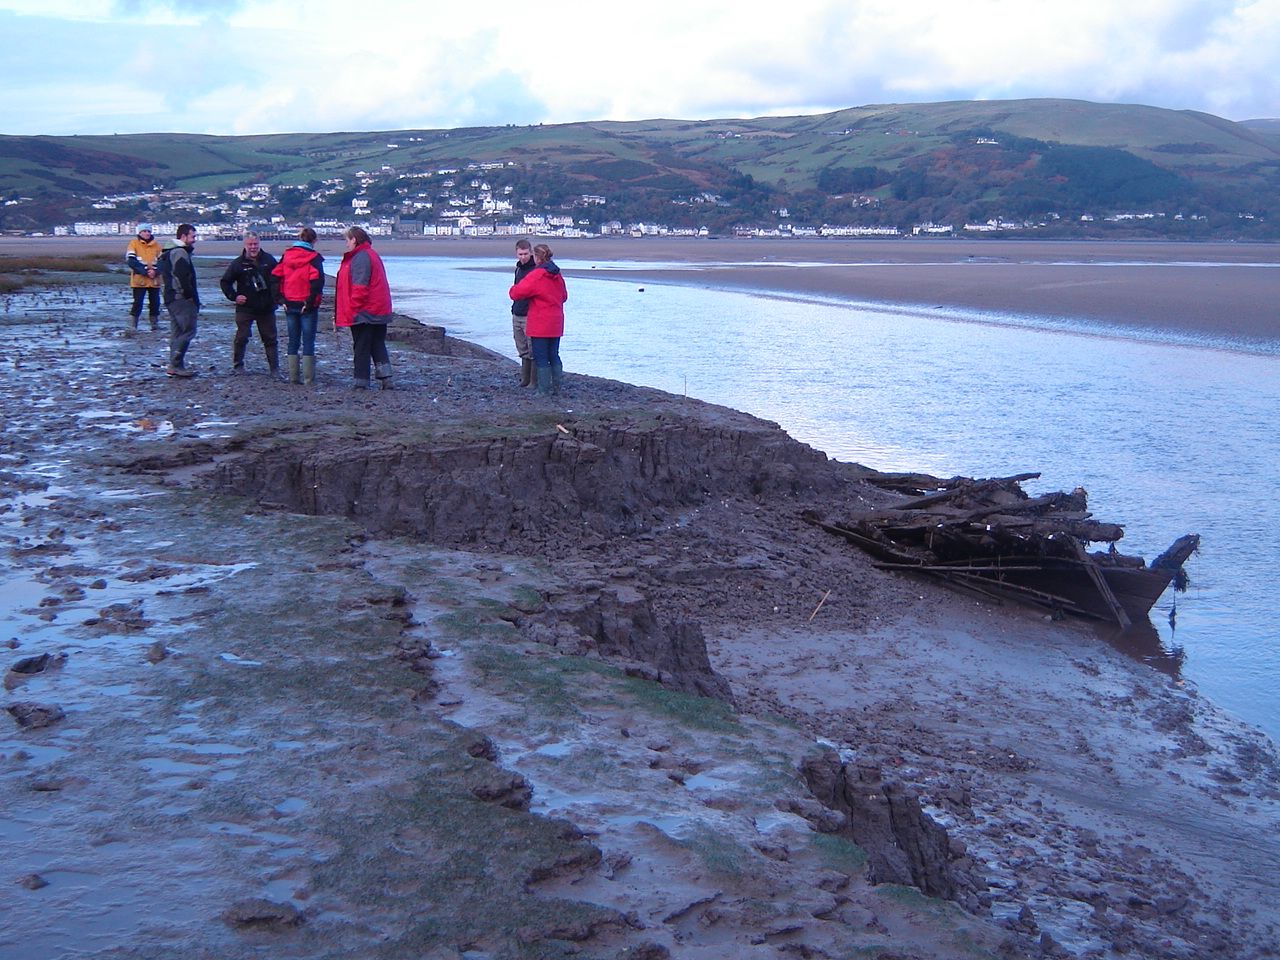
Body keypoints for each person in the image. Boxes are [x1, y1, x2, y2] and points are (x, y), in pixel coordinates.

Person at [335, 226, 394, 390]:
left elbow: (360, 285)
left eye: (347, 240)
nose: (347, 244)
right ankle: (386, 377)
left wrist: (354, 308)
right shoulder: (371, 254)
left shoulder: (361, 257)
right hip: (379, 309)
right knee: (377, 343)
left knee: (361, 346)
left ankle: (361, 381)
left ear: (354, 239)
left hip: (366, 310)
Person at [508, 243, 567, 396]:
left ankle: (542, 389)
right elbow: (564, 296)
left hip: (540, 320)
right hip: (556, 320)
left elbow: (515, 293)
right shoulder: (556, 273)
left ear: (537, 257)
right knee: (553, 354)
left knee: (540, 356)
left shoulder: (537, 275)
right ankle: (557, 387)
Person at [219, 232, 280, 375]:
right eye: (250, 244)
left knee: (270, 338)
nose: (253, 247)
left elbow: (278, 279)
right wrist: (234, 297)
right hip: (245, 307)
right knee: (242, 336)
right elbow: (225, 282)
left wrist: (278, 297)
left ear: (259, 243)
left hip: (266, 307)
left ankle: (274, 369)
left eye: (255, 244)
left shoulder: (269, 260)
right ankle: (238, 365)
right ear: (245, 245)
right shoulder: (238, 263)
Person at [272, 227, 326, 385]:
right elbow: (317, 283)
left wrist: (281, 299)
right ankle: (308, 378)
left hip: (290, 303)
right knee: (308, 341)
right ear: (314, 241)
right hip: (305, 304)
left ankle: (294, 377)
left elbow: (275, 277)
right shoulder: (313, 258)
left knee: (293, 340)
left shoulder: (286, 256)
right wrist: (310, 303)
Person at [157, 224, 200, 377]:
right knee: (188, 331)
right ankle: (176, 364)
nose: (194, 240)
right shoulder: (180, 252)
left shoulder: (169, 252)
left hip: (171, 297)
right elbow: (181, 275)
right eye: (192, 236)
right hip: (180, 298)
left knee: (177, 331)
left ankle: (174, 365)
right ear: (183, 237)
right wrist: (189, 295)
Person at [125, 223, 163, 331]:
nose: (146, 233)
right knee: (137, 303)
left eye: (148, 231)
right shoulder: (133, 244)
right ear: (139, 233)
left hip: (154, 281)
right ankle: (133, 325)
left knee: (155, 303)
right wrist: (145, 271)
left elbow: (163, 261)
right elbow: (131, 261)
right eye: (144, 231)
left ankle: (154, 324)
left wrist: (155, 271)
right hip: (139, 281)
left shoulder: (157, 245)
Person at [510, 238, 536, 386]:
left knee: (532, 348)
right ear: (516, 253)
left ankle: (533, 380)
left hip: (529, 314)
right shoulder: (518, 269)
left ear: (530, 252)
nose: (523, 257)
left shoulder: (535, 270)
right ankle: (525, 379)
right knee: (522, 348)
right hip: (517, 312)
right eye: (520, 254)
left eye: (525, 254)